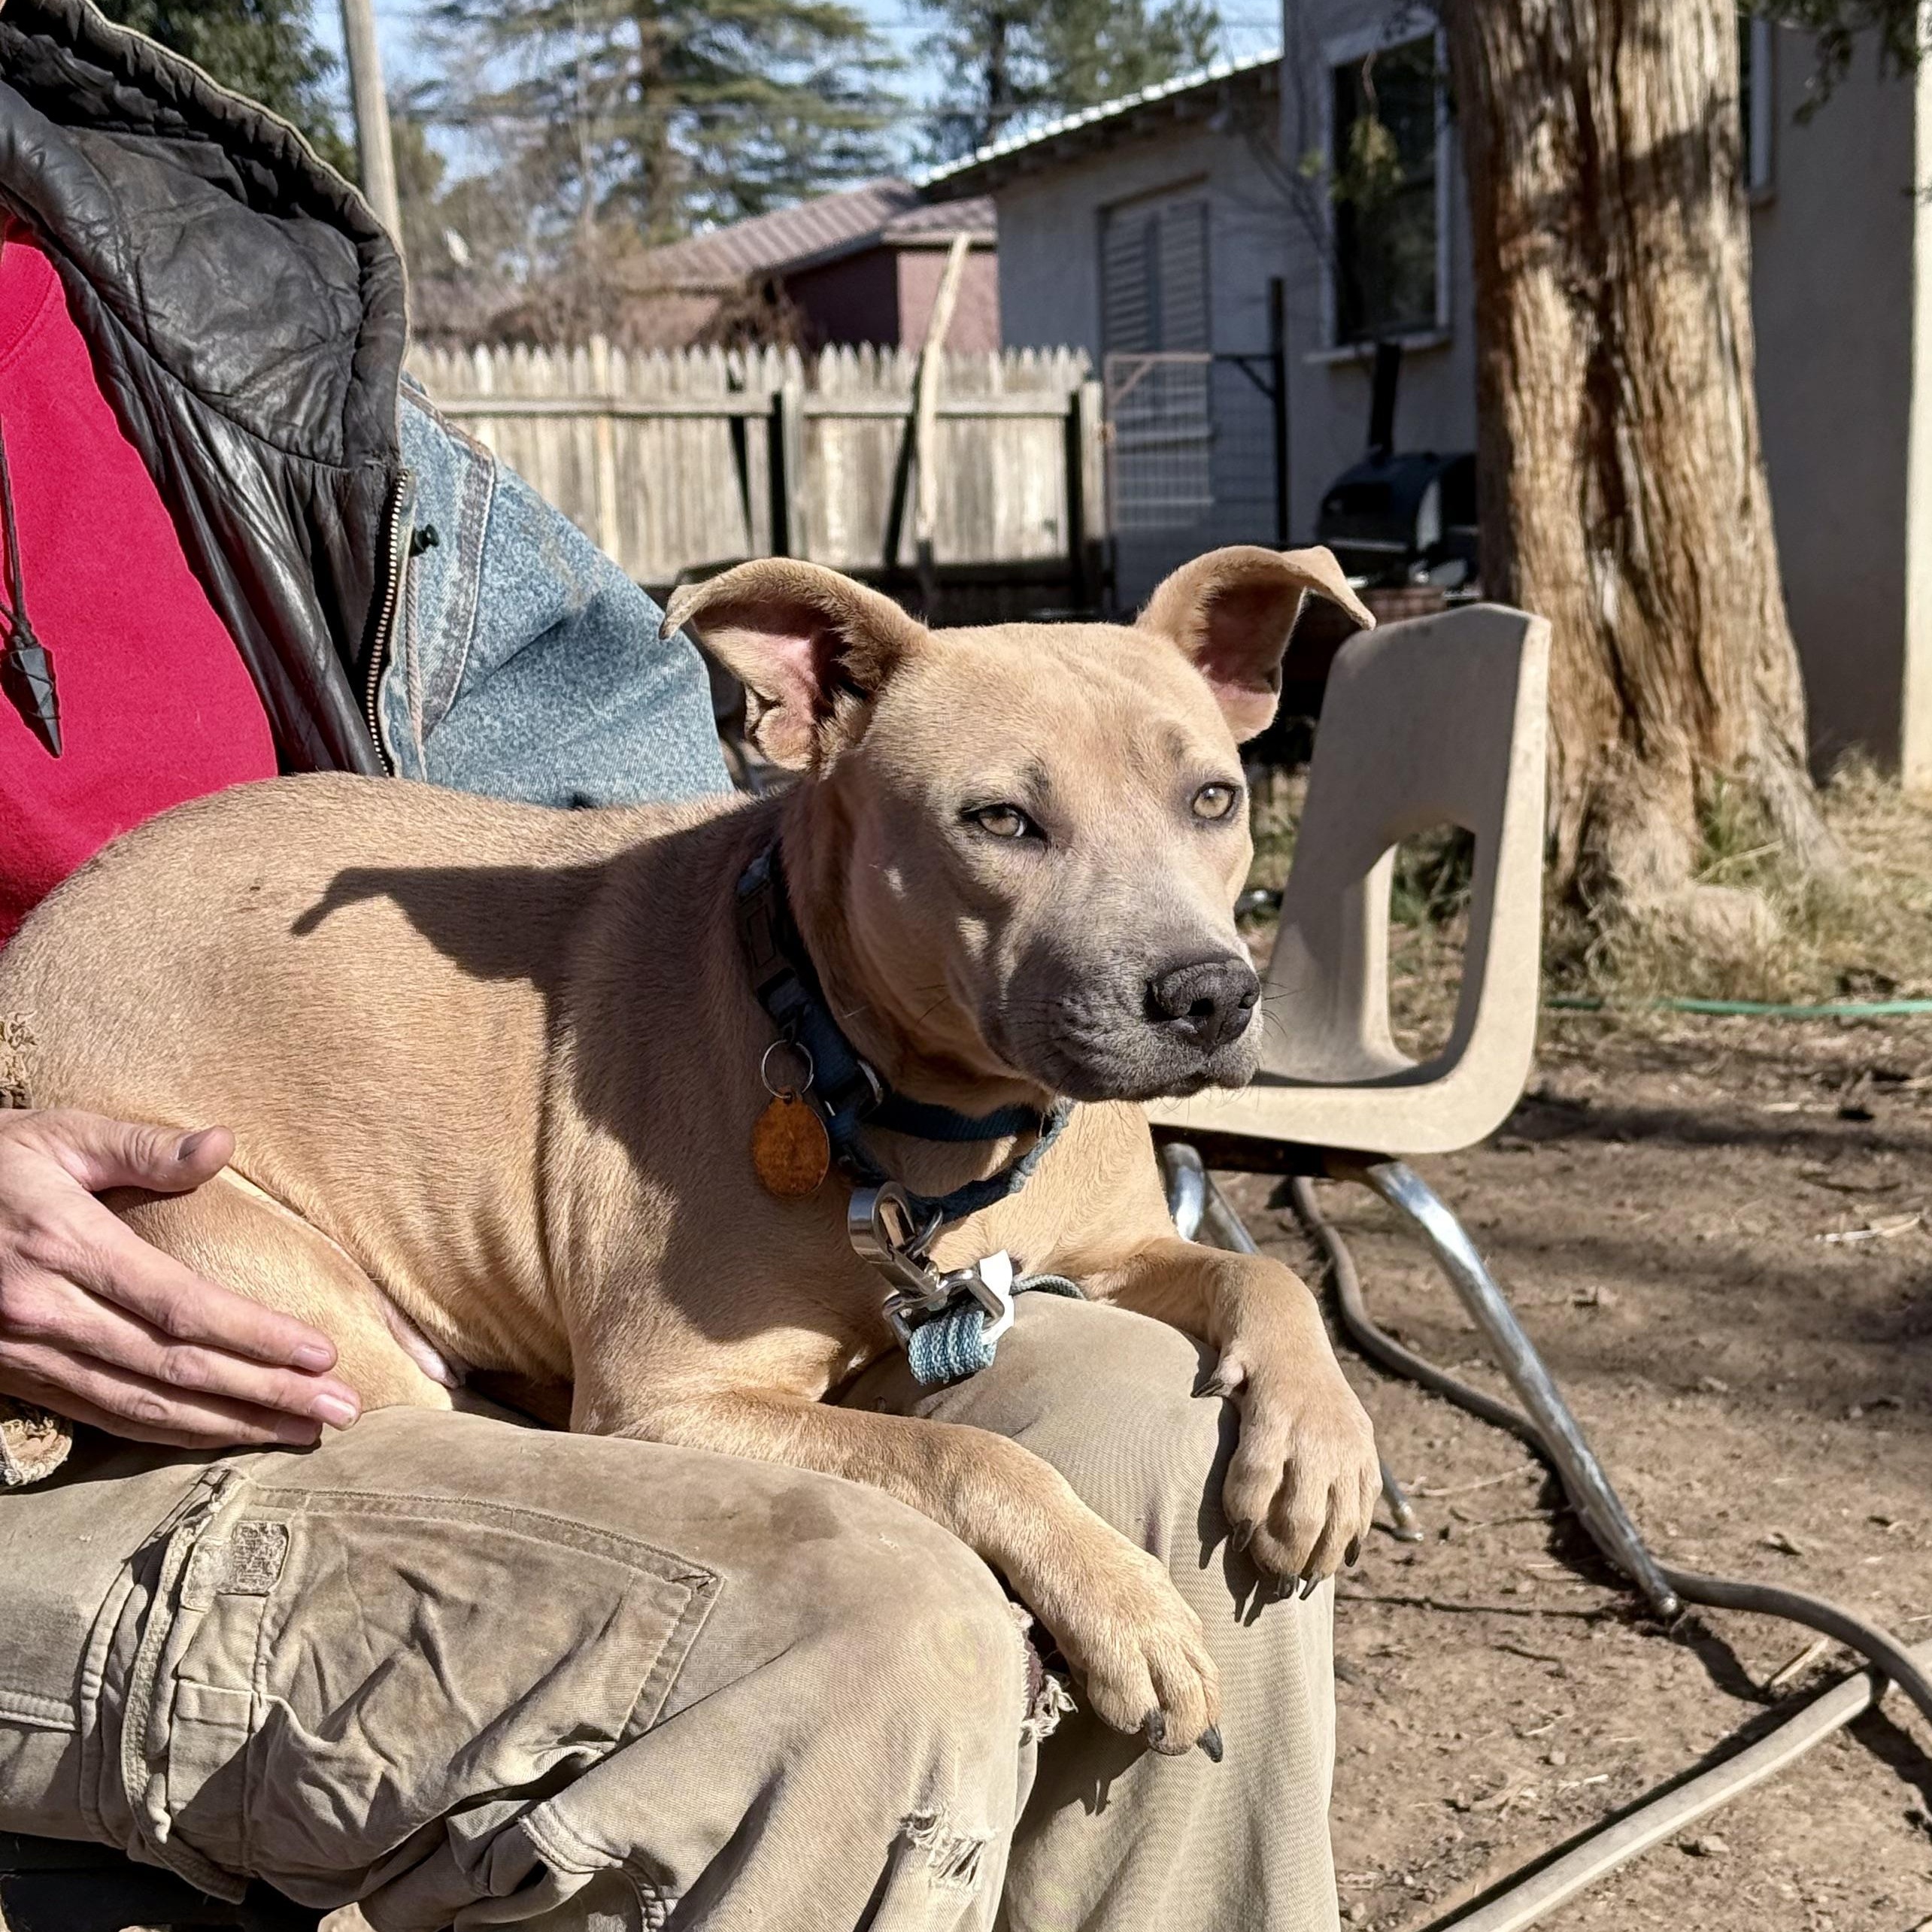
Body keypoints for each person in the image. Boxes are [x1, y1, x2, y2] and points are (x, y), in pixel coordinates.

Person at [0, 1, 1344, 1925]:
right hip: (182, 1322)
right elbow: (663, 1381)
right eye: (1014, 824)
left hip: (685, 1232)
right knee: (864, 1613)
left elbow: (629, 785)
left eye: (1206, 809)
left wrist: (1260, 1310)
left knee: (1169, 1434)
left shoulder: (194, 306)